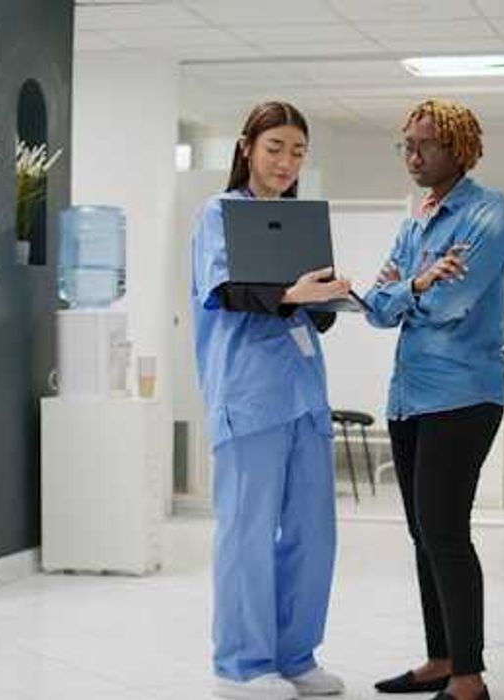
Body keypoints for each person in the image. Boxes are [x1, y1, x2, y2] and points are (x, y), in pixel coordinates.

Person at [192, 101, 351, 700]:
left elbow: (312, 315)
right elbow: (226, 291)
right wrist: (292, 293)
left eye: (298, 152)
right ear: (247, 148)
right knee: (247, 532)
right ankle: (241, 665)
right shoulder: (220, 213)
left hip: (304, 395)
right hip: (249, 394)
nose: (286, 162)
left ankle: (295, 655)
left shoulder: (299, 221)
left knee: (314, 531)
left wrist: (327, 295)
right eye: (275, 148)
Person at [365, 99, 504, 700]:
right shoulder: (416, 224)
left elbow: (451, 304)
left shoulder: (488, 214)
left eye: (423, 145)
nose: (411, 155)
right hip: (409, 396)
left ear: (457, 148)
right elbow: (376, 307)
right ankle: (441, 657)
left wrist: (410, 292)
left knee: (445, 531)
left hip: (462, 395)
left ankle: (468, 679)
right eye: (405, 144)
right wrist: (419, 282)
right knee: (422, 533)